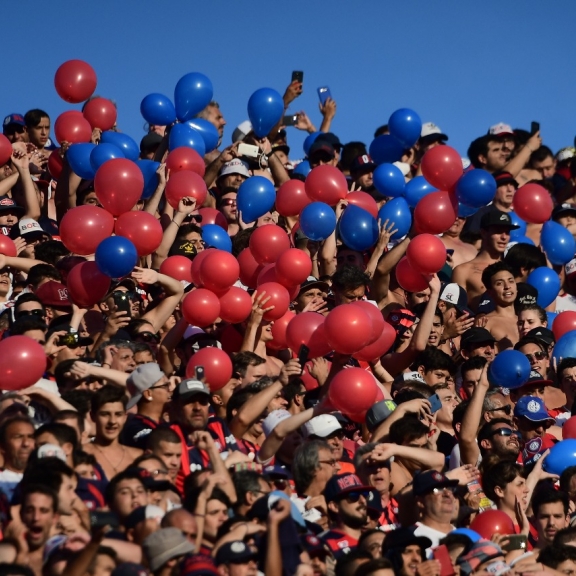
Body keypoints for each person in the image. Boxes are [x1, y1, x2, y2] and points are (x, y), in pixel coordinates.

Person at [452, 210, 519, 310]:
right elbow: (455, 310)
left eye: (507, 232)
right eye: (498, 231)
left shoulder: (513, 268)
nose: (504, 237)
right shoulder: (463, 270)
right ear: (483, 233)